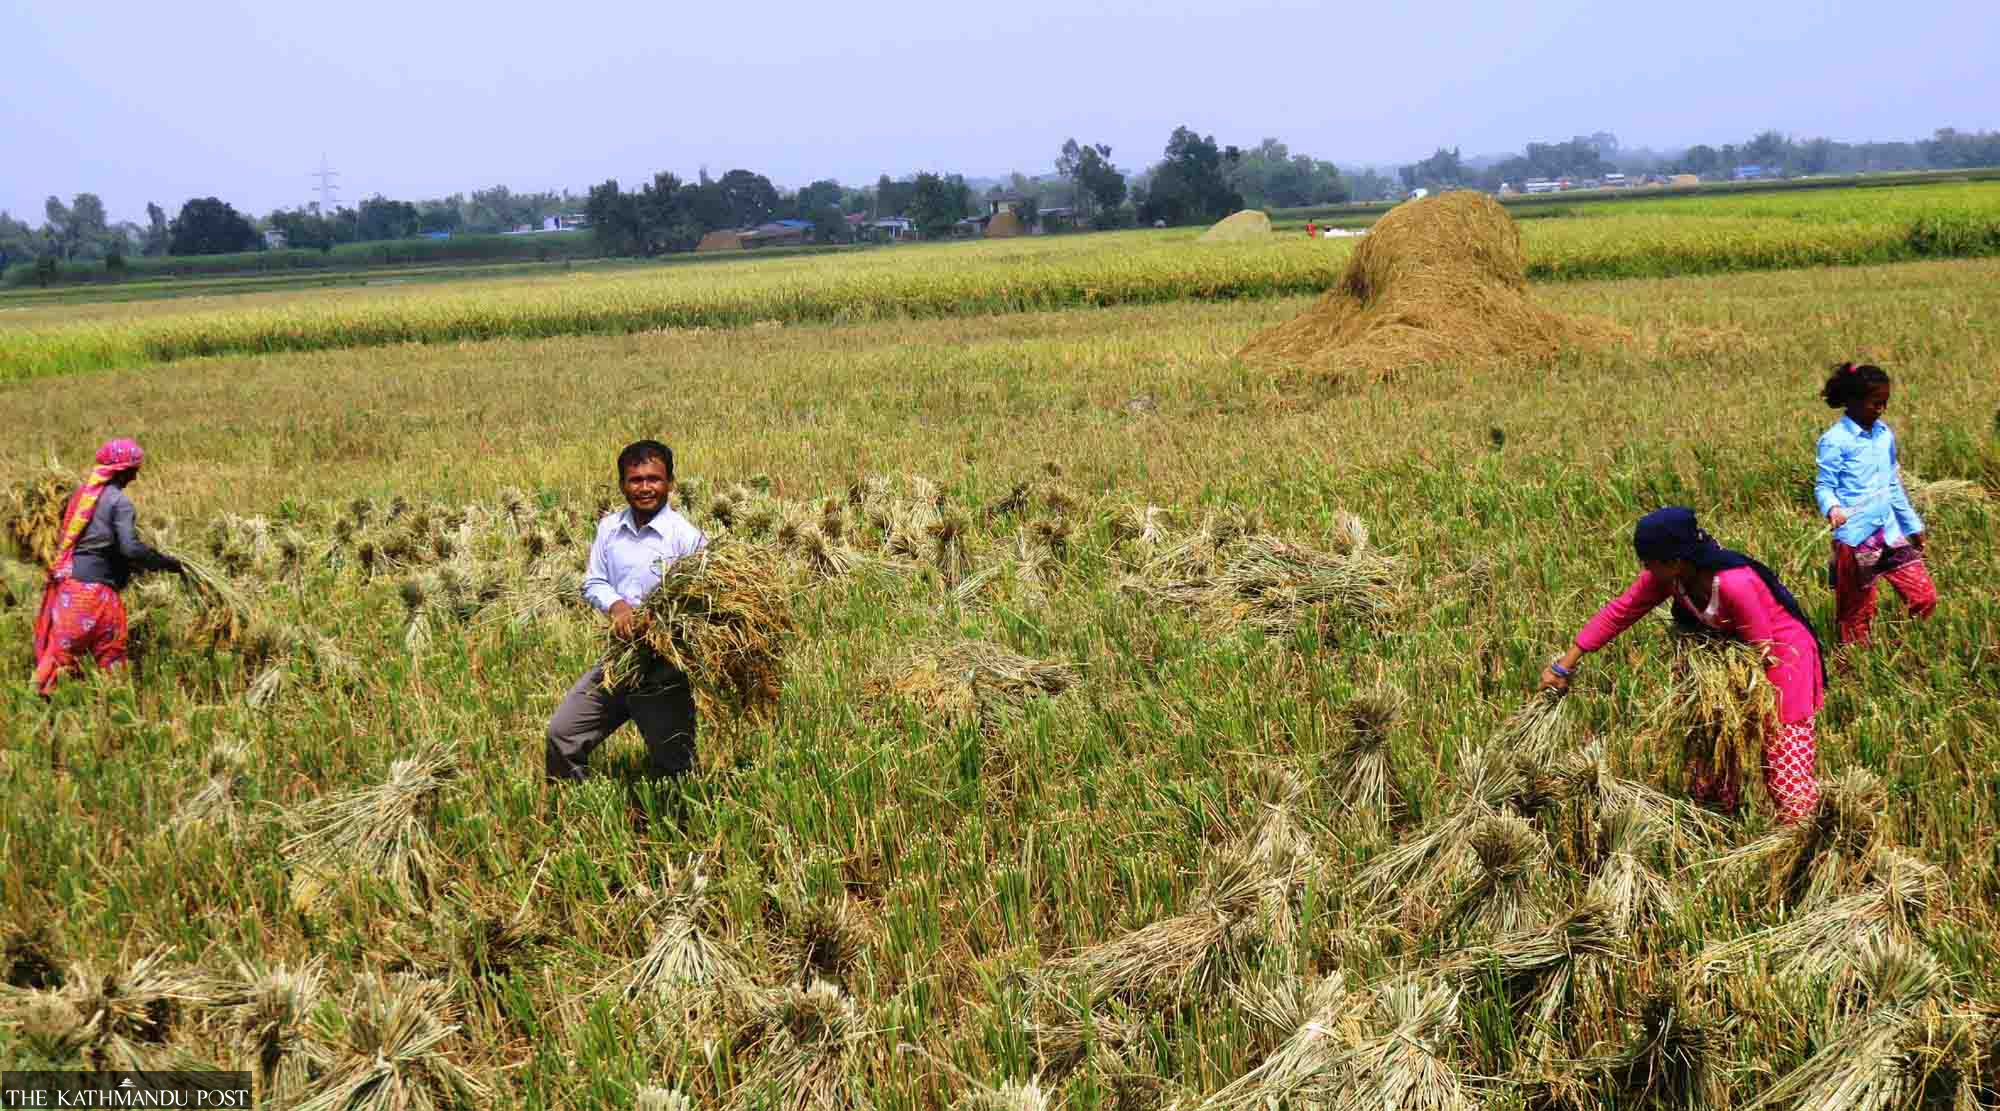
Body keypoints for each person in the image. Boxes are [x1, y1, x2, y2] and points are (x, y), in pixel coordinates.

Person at [1540, 507, 1827, 824]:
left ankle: (1802, 834)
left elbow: (1762, 649)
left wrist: (1736, 702)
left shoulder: (1734, 583)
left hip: (1783, 661)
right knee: (1711, 748)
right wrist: (1563, 666)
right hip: (1732, 663)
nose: (1645, 569)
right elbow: (1619, 612)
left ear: (1675, 562)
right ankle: (1718, 822)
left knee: (1781, 761)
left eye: (1649, 562)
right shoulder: (1669, 580)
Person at [545, 440, 707, 782]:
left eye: (654, 478)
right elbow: (594, 581)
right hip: (619, 659)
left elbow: (701, 604)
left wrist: (662, 624)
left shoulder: (687, 539)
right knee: (563, 734)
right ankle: (579, 805)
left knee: (673, 765)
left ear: (670, 482)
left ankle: (675, 824)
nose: (645, 487)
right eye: (635, 480)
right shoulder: (609, 529)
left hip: (666, 666)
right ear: (622, 485)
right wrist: (617, 606)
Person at [33, 438, 183, 696]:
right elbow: (129, 548)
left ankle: (41, 702)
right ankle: (110, 701)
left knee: (61, 652)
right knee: (109, 651)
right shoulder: (119, 502)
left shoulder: (81, 496)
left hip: (70, 590)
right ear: (122, 470)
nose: (135, 477)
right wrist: (165, 562)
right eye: (134, 470)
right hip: (96, 594)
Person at [1814, 361, 1935, 646]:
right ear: (1853, 402)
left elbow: (1893, 484)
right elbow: (1824, 486)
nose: (1881, 410)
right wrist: (1833, 509)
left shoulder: (1884, 436)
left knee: (1924, 597)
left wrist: (1911, 524)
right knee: (1856, 616)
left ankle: (1905, 646)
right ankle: (1855, 664)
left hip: (1891, 534)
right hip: (1857, 539)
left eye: (1885, 403)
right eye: (1874, 403)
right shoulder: (1835, 440)